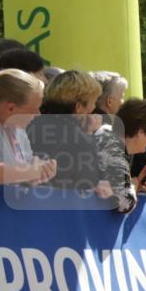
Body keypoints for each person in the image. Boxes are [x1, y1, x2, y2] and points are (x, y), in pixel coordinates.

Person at [26, 70, 111, 198]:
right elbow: (91, 183)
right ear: (79, 107)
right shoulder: (80, 140)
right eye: (93, 102)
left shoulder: (27, 124)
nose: (94, 108)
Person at [0, 69, 56, 185]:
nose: (38, 114)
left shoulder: (17, 127)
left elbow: (23, 170)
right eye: (33, 110)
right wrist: (31, 172)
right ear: (11, 108)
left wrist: (43, 169)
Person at [95, 99, 146, 213]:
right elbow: (125, 203)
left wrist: (137, 187)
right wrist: (133, 186)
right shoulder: (113, 146)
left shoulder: (111, 138)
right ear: (141, 131)